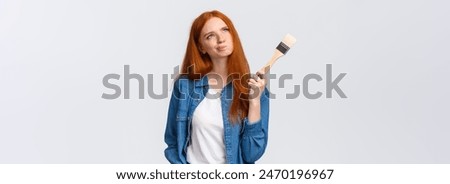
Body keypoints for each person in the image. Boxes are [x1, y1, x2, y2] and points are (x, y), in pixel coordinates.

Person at [164, 10, 270, 164]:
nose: (221, 39)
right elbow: (173, 142)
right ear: (201, 47)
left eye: (225, 30)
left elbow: (251, 155)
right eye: (210, 36)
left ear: (233, 35)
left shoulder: (256, 90)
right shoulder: (184, 86)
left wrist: (254, 102)